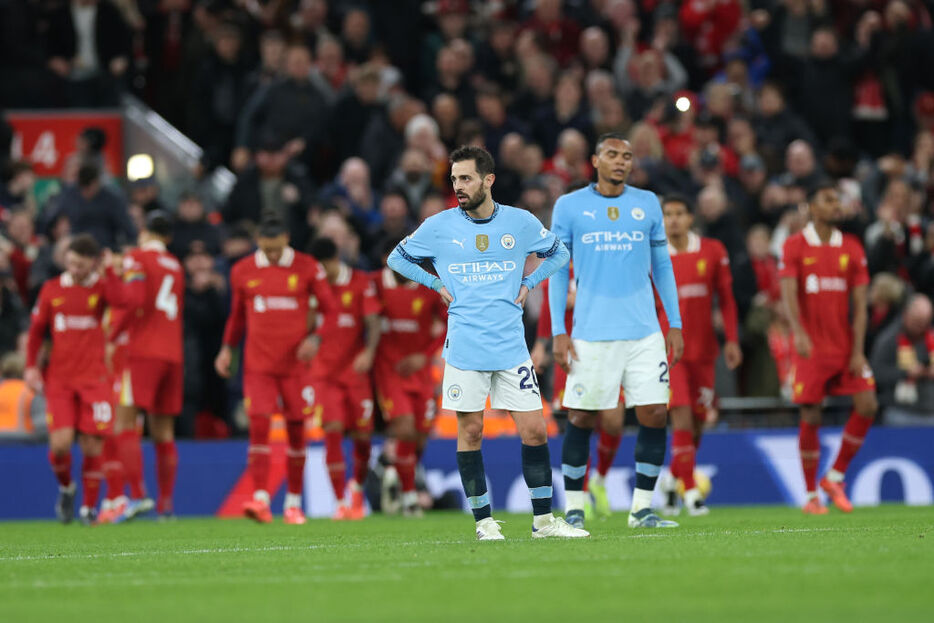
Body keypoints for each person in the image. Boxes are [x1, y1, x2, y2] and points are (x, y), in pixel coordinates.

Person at [387, 145, 583, 540]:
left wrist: (529, 283)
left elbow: (559, 253)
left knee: (535, 431)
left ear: (488, 180)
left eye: (466, 178)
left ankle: (544, 522)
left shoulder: (520, 222)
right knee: (471, 432)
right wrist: (436, 284)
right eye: (455, 179)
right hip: (464, 347)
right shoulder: (439, 226)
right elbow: (397, 258)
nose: (458, 186)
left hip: (511, 346)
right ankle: (483, 522)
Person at [548, 133, 684, 530]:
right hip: (591, 333)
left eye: (627, 156)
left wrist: (673, 323)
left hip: (644, 332)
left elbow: (662, 267)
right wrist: (559, 330)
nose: (621, 161)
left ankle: (641, 509)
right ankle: (573, 507)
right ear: (595, 160)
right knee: (582, 418)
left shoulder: (647, 203)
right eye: (612, 155)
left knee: (655, 413)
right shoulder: (570, 207)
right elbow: (558, 271)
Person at [215, 217, 336, 525]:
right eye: (265, 249)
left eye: (275, 248)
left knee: (297, 430)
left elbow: (331, 309)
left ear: (286, 237)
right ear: (258, 240)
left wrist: (316, 337)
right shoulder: (242, 270)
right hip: (258, 366)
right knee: (258, 426)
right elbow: (236, 317)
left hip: (296, 367)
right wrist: (227, 349)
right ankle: (260, 499)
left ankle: (294, 503)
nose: (270, 255)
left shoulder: (308, 267)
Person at [779, 181, 878, 514]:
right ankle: (810, 496)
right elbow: (788, 294)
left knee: (867, 404)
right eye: (829, 199)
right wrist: (799, 333)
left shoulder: (852, 247)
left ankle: (834, 476)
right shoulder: (795, 245)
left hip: (845, 345)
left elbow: (861, 306)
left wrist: (858, 349)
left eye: (838, 200)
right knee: (811, 413)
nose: (837, 206)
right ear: (811, 207)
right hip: (811, 346)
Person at [656, 194, 742, 517]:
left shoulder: (713, 251)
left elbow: (727, 299)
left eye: (680, 213)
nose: (674, 219)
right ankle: (690, 493)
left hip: (705, 351)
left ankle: (671, 480)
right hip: (669, 352)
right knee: (681, 415)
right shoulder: (654, 256)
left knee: (699, 422)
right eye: (668, 214)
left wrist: (732, 340)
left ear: (691, 218)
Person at [25, 235, 115, 524]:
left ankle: (89, 509)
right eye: (70, 263)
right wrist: (30, 366)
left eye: (80, 264)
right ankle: (67, 488)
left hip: (94, 378)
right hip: (60, 380)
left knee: (92, 445)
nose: (74, 269)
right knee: (60, 446)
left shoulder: (102, 289)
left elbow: (128, 301)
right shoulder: (51, 289)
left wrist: (111, 272)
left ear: (93, 263)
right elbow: (37, 331)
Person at [106, 211, 185, 520]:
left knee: (124, 423)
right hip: (173, 354)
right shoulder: (176, 265)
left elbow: (134, 300)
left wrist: (113, 335)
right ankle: (166, 505)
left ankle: (138, 495)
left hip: (143, 351)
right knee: (163, 431)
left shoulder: (137, 258)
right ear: (167, 238)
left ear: (144, 232)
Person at [306, 236, 381, 521]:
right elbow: (308, 322)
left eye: (324, 267)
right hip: (324, 373)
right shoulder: (315, 285)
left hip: (355, 373)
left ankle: (357, 489)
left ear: (334, 260)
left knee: (363, 437)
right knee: (333, 431)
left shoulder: (360, 282)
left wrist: (369, 352)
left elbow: (373, 321)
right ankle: (339, 502)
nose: (321, 273)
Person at [373, 239, 447, 517]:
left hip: (420, 374)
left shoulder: (428, 288)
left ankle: (393, 471)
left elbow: (450, 318)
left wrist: (426, 354)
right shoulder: (374, 286)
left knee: (418, 437)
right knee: (403, 429)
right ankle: (408, 498)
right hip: (389, 372)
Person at [869, 294, 934, 426]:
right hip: (899, 413)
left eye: (924, 322)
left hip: (931, 412)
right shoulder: (888, 339)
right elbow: (874, 374)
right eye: (916, 321)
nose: (920, 327)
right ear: (906, 315)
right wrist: (905, 373)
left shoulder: (932, 338)